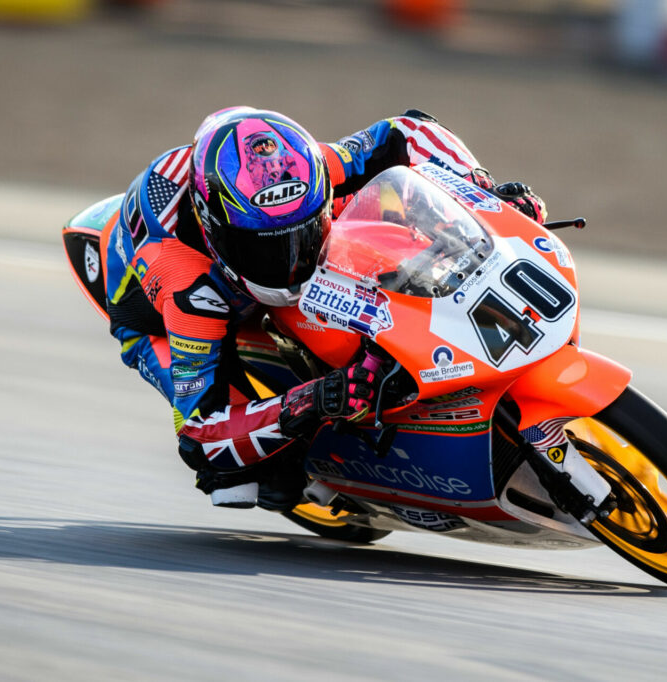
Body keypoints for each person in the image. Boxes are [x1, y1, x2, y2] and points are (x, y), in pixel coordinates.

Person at [101, 107, 547, 511]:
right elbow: (200, 435)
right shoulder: (188, 290)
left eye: (304, 233)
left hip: (249, 230)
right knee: (239, 477)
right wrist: (313, 400)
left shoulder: (306, 165)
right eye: (266, 249)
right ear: (216, 229)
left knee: (392, 228)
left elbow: (408, 129)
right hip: (153, 318)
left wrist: (482, 188)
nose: (291, 261)